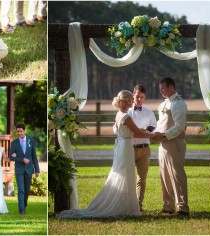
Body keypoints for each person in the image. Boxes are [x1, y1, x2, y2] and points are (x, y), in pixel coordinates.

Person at [56, 90, 155, 219]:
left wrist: (143, 131)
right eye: (131, 98)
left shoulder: (120, 114)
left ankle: (125, 204)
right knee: (127, 175)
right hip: (125, 147)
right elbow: (136, 133)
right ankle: (126, 206)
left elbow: (132, 130)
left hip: (122, 146)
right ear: (126, 101)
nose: (133, 100)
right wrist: (153, 135)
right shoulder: (126, 116)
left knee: (123, 174)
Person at [153, 77, 190, 217]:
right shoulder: (163, 104)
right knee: (165, 175)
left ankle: (183, 208)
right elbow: (161, 123)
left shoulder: (179, 103)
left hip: (175, 143)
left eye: (163, 88)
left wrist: (163, 135)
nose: (161, 91)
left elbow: (180, 127)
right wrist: (152, 133)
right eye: (160, 89)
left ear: (171, 87)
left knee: (177, 175)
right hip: (163, 144)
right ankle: (168, 206)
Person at [127, 84, 157, 212]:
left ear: (145, 98)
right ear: (133, 95)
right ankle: (127, 204)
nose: (139, 99)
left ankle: (138, 205)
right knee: (128, 178)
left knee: (142, 179)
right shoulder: (126, 111)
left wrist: (143, 131)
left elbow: (154, 127)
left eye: (142, 97)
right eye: (137, 96)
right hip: (129, 148)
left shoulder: (149, 112)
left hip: (144, 149)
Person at [9, 123, 40, 215]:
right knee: (21, 190)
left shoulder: (31, 140)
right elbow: (11, 157)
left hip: (29, 169)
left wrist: (37, 169)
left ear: (24, 130)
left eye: (21, 131)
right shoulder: (14, 143)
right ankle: (21, 209)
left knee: (27, 190)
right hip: (19, 169)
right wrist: (22, 159)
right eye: (17, 131)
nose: (19, 133)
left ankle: (24, 205)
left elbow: (34, 156)